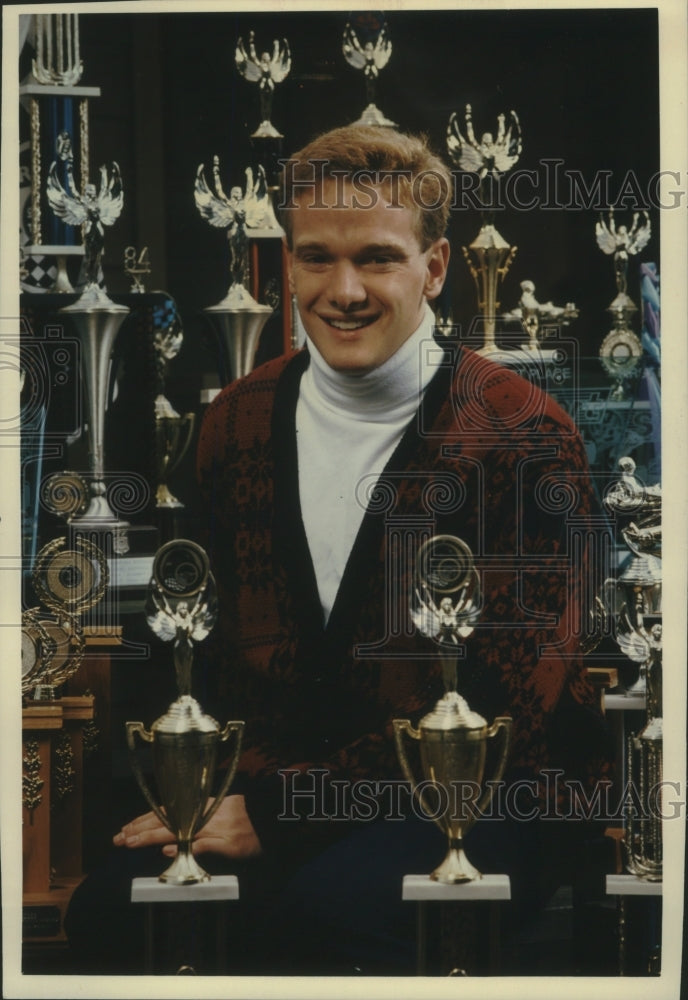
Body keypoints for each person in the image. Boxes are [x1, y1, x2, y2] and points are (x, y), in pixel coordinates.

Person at [65, 124, 613, 976]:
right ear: (286, 263)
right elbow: (198, 655)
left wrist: (288, 813)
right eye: (316, 257)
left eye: (377, 259)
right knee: (110, 915)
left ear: (434, 268)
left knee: (332, 918)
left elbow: (517, 709)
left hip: (481, 797)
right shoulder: (236, 422)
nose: (343, 290)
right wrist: (211, 794)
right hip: (268, 794)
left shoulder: (523, 434)